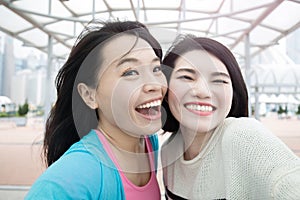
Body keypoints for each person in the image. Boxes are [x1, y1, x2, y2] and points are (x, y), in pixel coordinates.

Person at [25, 20, 167, 199]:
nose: (154, 84)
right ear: (89, 95)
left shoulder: (147, 142)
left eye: (156, 68)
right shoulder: (68, 180)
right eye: (130, 72)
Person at [161, 35, 300, 199]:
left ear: (234, 93)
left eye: (219, 80)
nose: (203, 92)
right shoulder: (168, 151)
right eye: (187, 77)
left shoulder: (241, 135)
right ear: (164, 86)